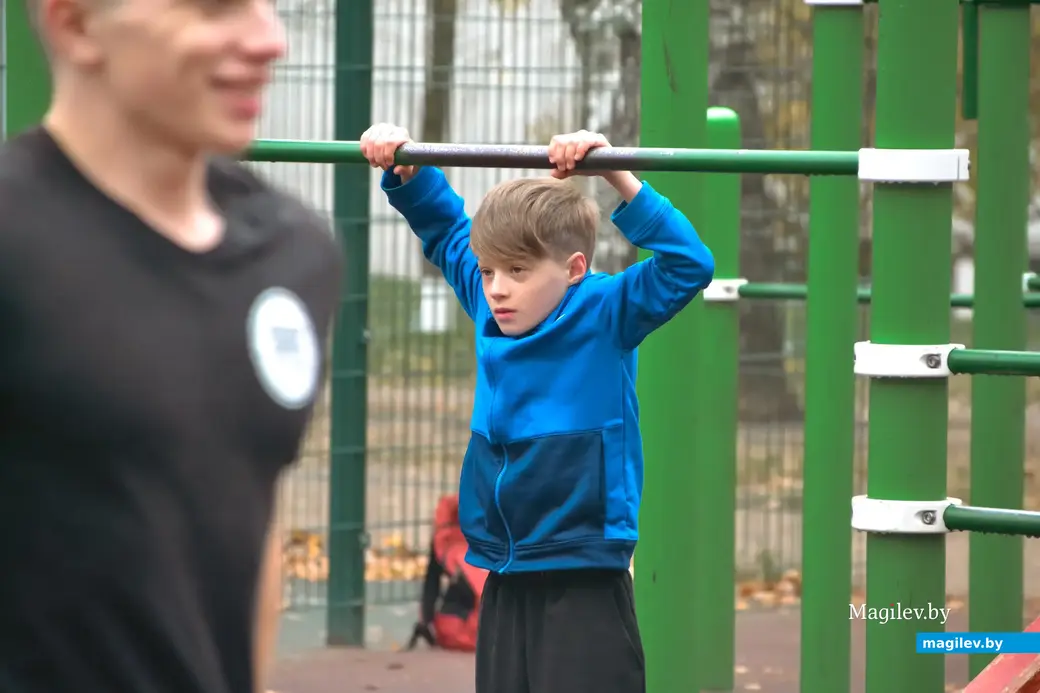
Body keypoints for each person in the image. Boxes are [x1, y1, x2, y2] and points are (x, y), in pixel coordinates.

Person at [0, 0, 341, 690]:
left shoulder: (294, 254)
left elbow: (251, 525)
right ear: (75, 25)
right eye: (215, 8)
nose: (269, 39)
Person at [361, 123, 715, 693]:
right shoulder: (489, 303)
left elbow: (688, 264)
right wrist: (407, 167)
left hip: (582, 571)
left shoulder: (605, 310)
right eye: (488, 271)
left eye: (518, 272)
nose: (497, 288)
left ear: (573, 269)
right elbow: (446, 229)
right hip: (504, 566)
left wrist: (614, 172)